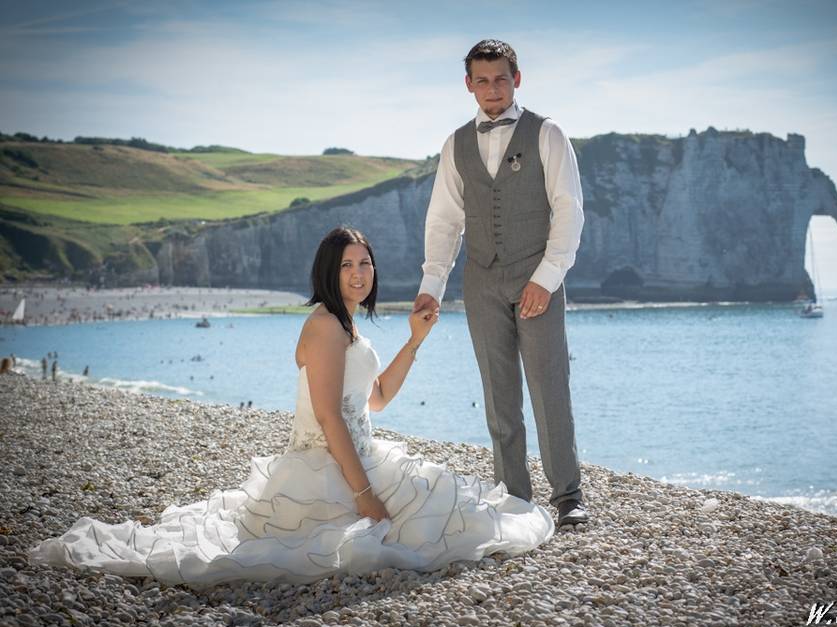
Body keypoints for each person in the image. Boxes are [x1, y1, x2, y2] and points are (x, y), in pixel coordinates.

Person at [28, 227, 553, 585]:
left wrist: (414, 340)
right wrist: (365, 496)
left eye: (365, 263)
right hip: (328, 465)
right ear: (329, 271)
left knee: (452, 511)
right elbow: (328, 418)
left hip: (360, 450)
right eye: (347, 264)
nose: (359, 272)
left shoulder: (348, 326)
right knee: (418, 525)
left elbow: (377, 400)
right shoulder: (324, 326)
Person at [413, 39, 588, 527]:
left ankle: (568, 494)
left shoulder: (547, 134)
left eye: (501, 78)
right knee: (498, 390)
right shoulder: (455, 145)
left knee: (549, 385)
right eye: (482, 80)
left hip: (538, 278)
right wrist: (433, 282)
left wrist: (547, 279)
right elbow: (443, 220)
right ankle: (514, 495)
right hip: (481, 280)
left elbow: (570, 213)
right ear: (469, 84)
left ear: (518, 78)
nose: (493, 89)